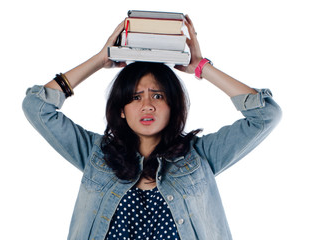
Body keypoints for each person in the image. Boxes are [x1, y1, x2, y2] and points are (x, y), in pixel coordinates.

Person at [22, 15, 281, 240]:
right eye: (135, 97)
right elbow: (36, 106)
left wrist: (201, 67)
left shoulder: (201, 156)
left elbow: (266, 114)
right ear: (121, 110)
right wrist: (100, 60)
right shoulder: (96, 154)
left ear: (173, 106)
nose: (147, 105)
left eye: (157, 96)